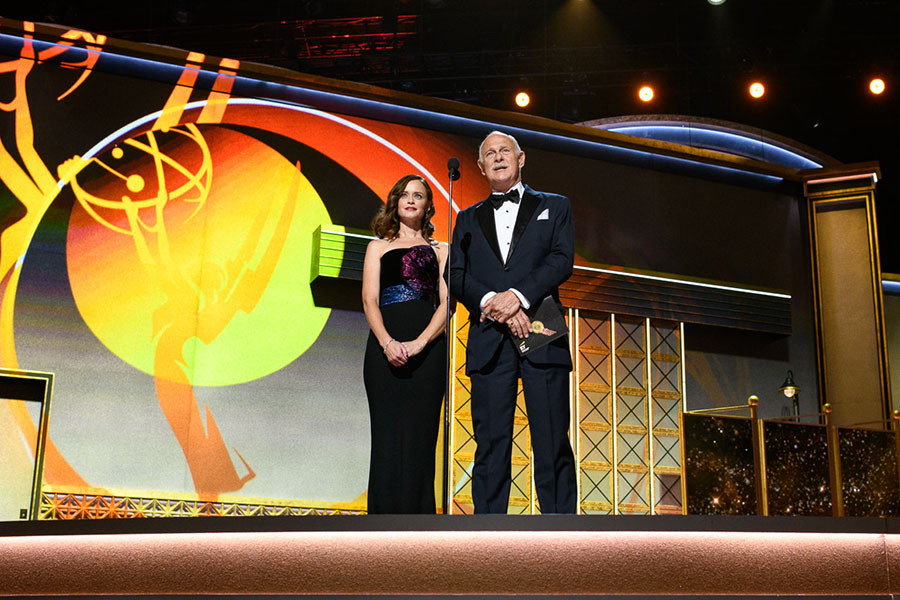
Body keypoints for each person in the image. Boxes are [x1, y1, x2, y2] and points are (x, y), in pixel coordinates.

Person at [449, 131, 577, 514]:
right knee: (490, 440)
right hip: (489, 329)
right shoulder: (467, 218)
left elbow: (560, 260)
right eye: (490, 153)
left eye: (506, 151)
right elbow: (455, 275)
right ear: (480, 166)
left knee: (552, 435)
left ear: (522, 158)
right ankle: (486, 536)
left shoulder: (555, 206)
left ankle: (561, 531)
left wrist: (517, 297)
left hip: (541, 324)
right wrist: (494, 302)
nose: (499, 157)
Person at [362, 174, 449, 514]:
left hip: (427, 353)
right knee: (386, 436)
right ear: (395, 202)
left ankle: (419, 525)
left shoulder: (443, 251)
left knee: (421, 437)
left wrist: (419, 344)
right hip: (383, 352)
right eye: (405, 195)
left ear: (428, 205)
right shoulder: (377, 247)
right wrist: (387, 343)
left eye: (419, 195)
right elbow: (370, 300)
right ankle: (380, 524)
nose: (411, 200)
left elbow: (446, 304)